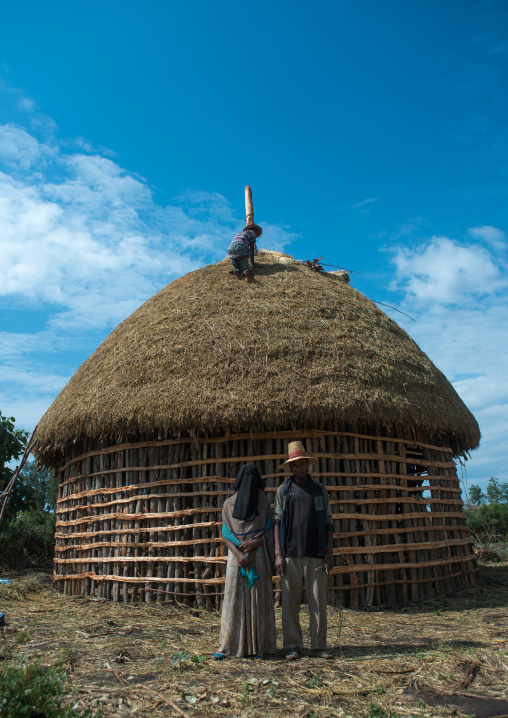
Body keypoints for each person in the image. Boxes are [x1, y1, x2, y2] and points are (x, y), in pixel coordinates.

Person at [274, 441, 334, 660]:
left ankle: (319, 646)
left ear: (308, 464)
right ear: (290, 468)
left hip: (316, 553)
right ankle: (292, 645)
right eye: (294, 465)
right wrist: (278, 554)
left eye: (301, 464)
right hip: (290, 555)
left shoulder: (319, 490)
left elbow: (328, 521)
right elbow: (277, 522)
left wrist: (329, 553)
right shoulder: (284, 490)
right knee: (290, 604)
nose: (298, 468)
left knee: (318, 603)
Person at [215, 463, 276, 659]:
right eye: (246, 477)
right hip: (236, 559)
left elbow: (269, 529)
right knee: (234, 602)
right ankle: (230, 646)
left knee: (259, 599)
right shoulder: (228, 505)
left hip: (258, 558)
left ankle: (260, 647)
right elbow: (225, 533)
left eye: (252, 477)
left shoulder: (263, 503)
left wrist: (257, 541)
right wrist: (239, 554)